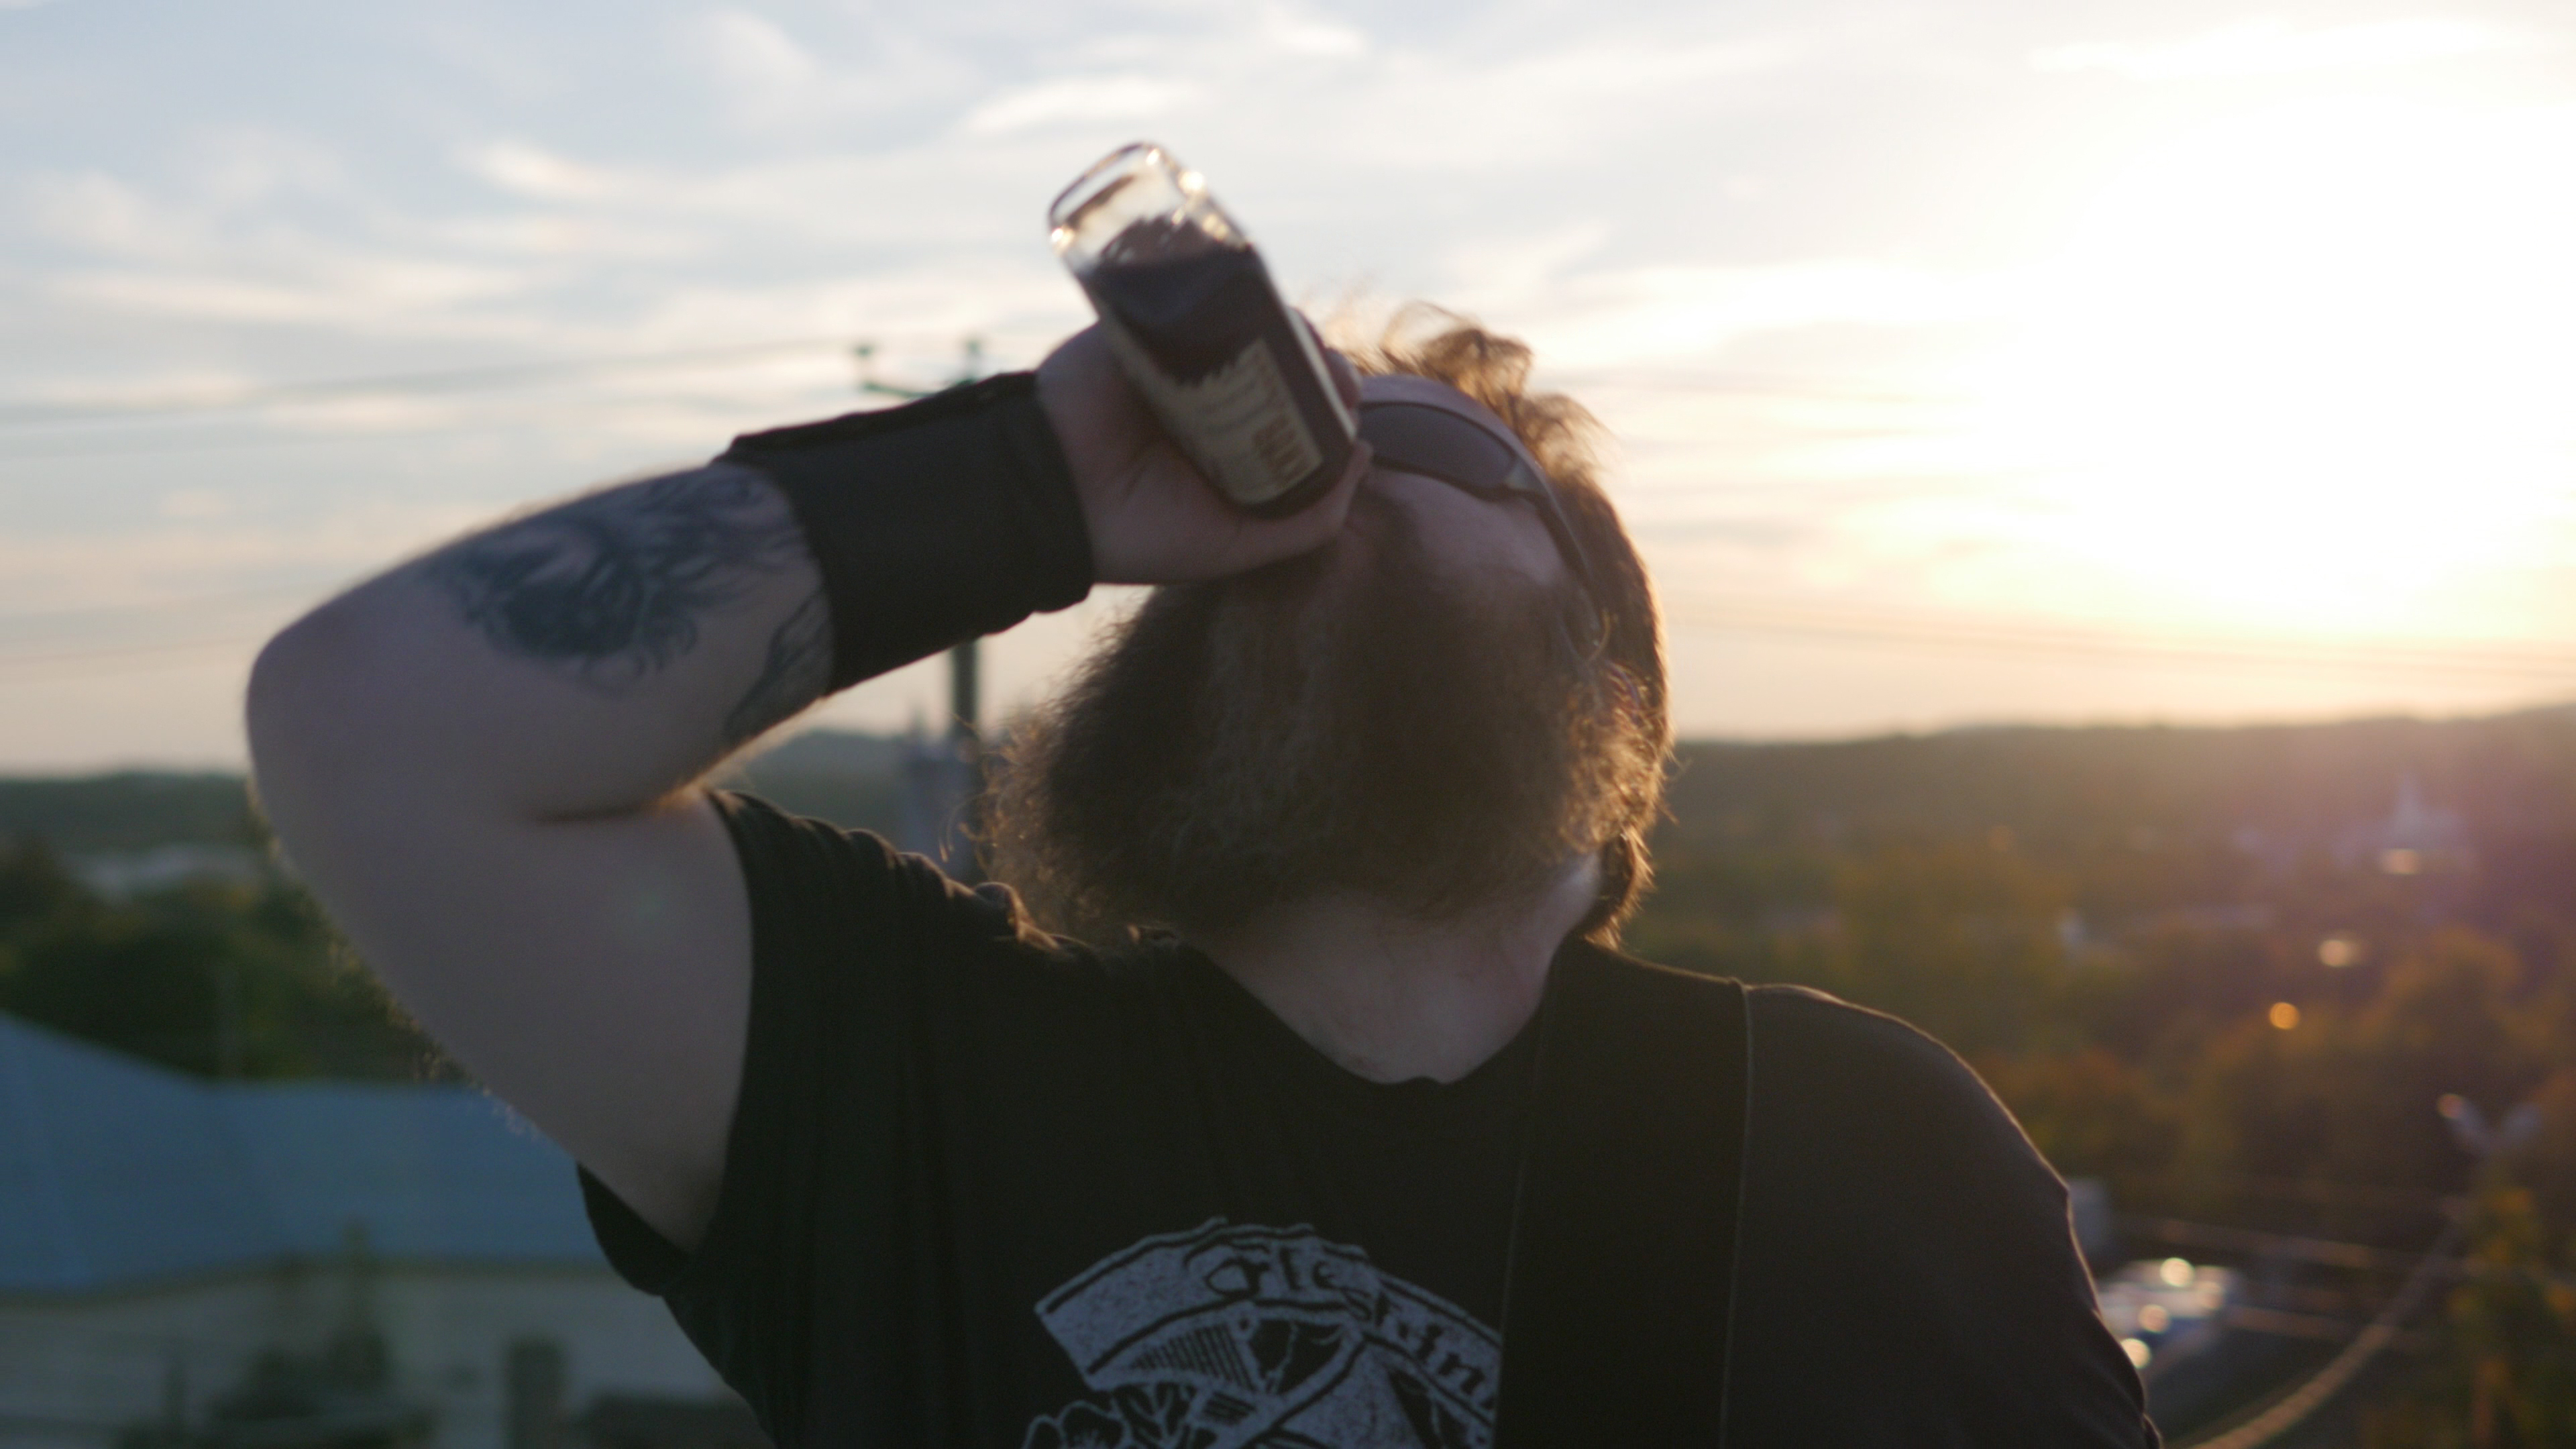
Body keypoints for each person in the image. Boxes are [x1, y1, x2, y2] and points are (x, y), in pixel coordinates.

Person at [247, 311, 2157, 1447]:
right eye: (1271, 451)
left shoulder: (1870, 1144)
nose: (1300, 489)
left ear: (1615, 682)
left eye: (1408, 447)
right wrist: (1036, 480)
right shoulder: (919, 1075)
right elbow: (376, 731)